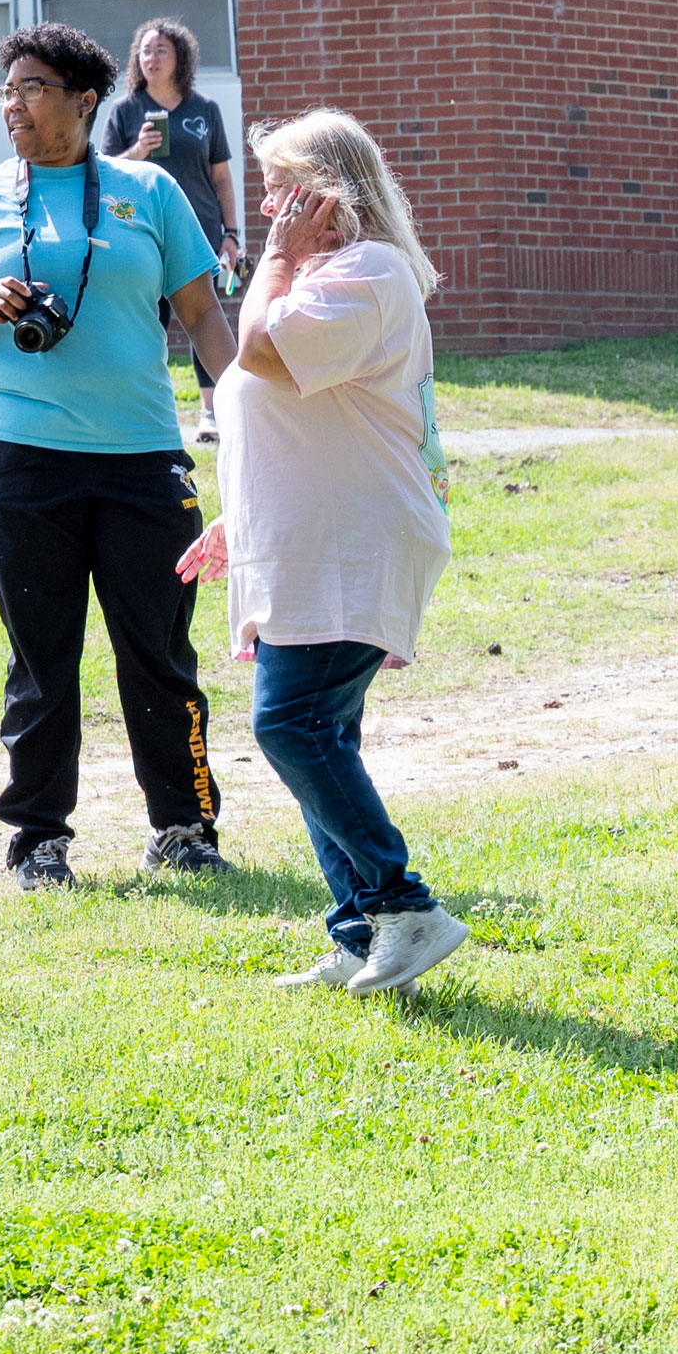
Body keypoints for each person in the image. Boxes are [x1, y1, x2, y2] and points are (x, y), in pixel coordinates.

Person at [0, 23, 242, 891]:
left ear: (85, 99)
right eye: (7, 88)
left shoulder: (149, 192)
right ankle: (38, 842)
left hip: (140, 457)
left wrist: (245, 407)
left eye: (32, 87)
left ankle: (184, 826)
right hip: (20, 461)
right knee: (42, 659)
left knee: (160, 657)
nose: (12, 103)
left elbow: (202, 314)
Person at [176, 110, 463, 999]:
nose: (269, 209)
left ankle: (401, 906)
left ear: (330, 197)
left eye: (284, 190)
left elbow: (256, 353)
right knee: (321, 735)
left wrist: (271, 259)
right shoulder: (334, 275)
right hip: (310, 542)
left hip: (354, 544)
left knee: (290, 727)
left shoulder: (368, 273)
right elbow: (292, 421)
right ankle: (362, 935)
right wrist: (240, 520)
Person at [100, 19, 241, 442]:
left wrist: (231, 234)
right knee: (147, 321)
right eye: (145, 50)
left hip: (199, 230)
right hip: (140, 233)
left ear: (180, 56)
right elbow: (104, 173)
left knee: (203, 315)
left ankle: (212, 413)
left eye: (161, 49)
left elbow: (222, 179)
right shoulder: (124, 111)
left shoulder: (205, 110)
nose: (152, 58)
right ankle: (146, 405)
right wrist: (137, 151)